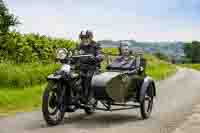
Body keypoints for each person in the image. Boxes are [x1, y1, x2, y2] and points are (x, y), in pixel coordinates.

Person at [77, 30, 104, 105]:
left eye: (86, 37)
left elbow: (100, 53)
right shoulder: (79, 46)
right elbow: (74, 53)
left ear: (91, 37)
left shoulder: (95, 45)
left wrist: (98, 56)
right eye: (82, 38)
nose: (85, 39)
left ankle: (90, 97)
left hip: (93, 67)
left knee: (88, 77)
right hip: (81, 67)